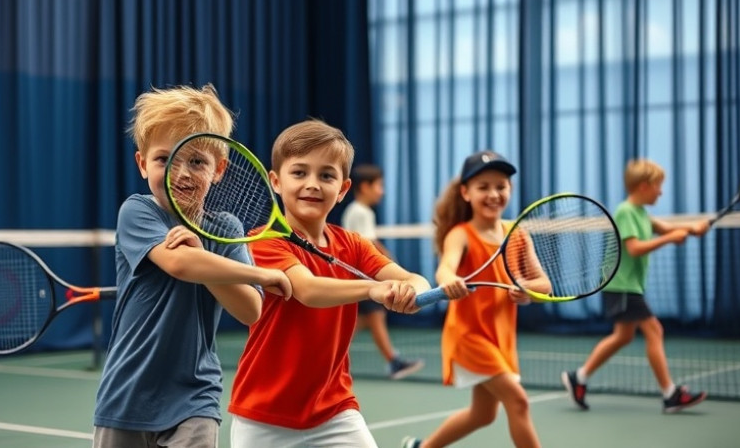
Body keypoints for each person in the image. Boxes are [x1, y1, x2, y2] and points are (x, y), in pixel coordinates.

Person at [92, 84, 293, 448]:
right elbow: (180, 264)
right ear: (142, 164)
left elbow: (250, 309)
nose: (180, 172)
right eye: (163, 159)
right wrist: (259, 273)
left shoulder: (226, 229)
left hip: (194, 396)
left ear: (218, 170)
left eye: (197, 161)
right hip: (126, 394)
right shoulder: (138, 212)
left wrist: (209, 260)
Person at [227, 119, 431, 447]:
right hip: (264, 414)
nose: (313, 184)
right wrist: (372, 289)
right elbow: (307, 290)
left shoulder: (353, 245)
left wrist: (413, 291)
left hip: (334, 409)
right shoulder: (264, 242)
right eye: (299, 173)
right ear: (276, 182)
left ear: (343, 189)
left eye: (326, 175)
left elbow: (414, 278)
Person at [402, 150, 550, 448]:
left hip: (500, 338)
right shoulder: (461, 234)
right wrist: (450, 281)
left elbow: (544, 284)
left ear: (510, 190)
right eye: (483, 187)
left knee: (483, 415)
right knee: (518, 402)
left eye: (501, 186)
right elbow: (445, 268)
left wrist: (527, 288)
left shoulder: (517, 234)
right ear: (465, 192)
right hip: (469, 337)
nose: (493, 194)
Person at [561, 158, 709, 414]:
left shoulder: (641, 213)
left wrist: (693, 228)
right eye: (658, 186)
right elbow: (635, 248)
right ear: (643, 186)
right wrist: (672, 239)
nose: (661, 191)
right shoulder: (625, 212)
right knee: (654, 330)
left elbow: (665, 228)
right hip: (621, 285)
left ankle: (579, 377)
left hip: (629, 286)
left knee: (623, 336)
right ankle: (670, 394)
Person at [342, 164, 424, 379]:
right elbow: (369, 244)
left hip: (358, 274)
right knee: (374, 317)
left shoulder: (358, 211)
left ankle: (324, 353)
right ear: (365, 187)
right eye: (379, 186)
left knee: (364, 320)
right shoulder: (360, 212)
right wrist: (390, 263)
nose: (382, 191)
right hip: (363, 275)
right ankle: (393, 362)